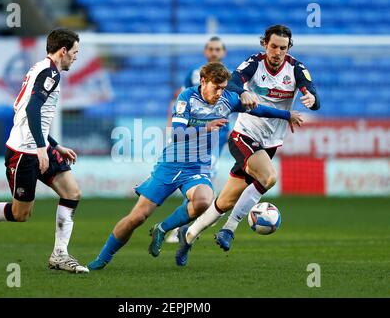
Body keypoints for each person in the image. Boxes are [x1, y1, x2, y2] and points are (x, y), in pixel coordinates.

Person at [88, 62, 302, 270]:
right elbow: (178, 133)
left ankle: (162, 229)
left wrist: (287, 115)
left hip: (197, 168)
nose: (219, 93)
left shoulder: (228, 99)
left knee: (203, 200)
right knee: (137, 217)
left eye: (223, 88)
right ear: (203, 81)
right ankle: (102, 258)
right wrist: (206, 127)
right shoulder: (187, 97)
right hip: (171, 165)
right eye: (216, 87)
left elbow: (258, 110)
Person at [175, 24, 320, 266]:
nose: (277, 52)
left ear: (288, 48)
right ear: (265, 44)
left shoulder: (296, 69)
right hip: (244, 135)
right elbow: (233, 83)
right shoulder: (254, 63)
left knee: (225, 201)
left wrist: (311, 98)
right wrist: (242, 92)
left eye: (282, 48)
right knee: (269, 177)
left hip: (271, 143)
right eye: (273, 46)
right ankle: (229, 229)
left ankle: (188, 236)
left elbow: (313, 95)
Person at [0, 28, 89, 273]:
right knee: (20, 214)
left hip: (39, 147)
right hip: (23, 153)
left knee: (72, 191)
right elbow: (31, 110)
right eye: (75, 52)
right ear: (63, 50)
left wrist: (54, 145)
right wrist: (40, 149)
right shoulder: (50, 74)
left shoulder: (39, 68)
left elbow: (27, 110)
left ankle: (59, 254)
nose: (76, 58)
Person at [165, 36, 228, 244]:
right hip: (194, 135)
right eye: (211, 49)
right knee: (195, 179)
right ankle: (180, 228)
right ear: (205, 51)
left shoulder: (231, 78)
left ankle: (185, 226)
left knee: (205, 180)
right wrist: (171, 125)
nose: (214, 52)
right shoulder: (194, 74)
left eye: (218, 49)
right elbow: (179, 100)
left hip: (217, 138)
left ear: (223, 53)